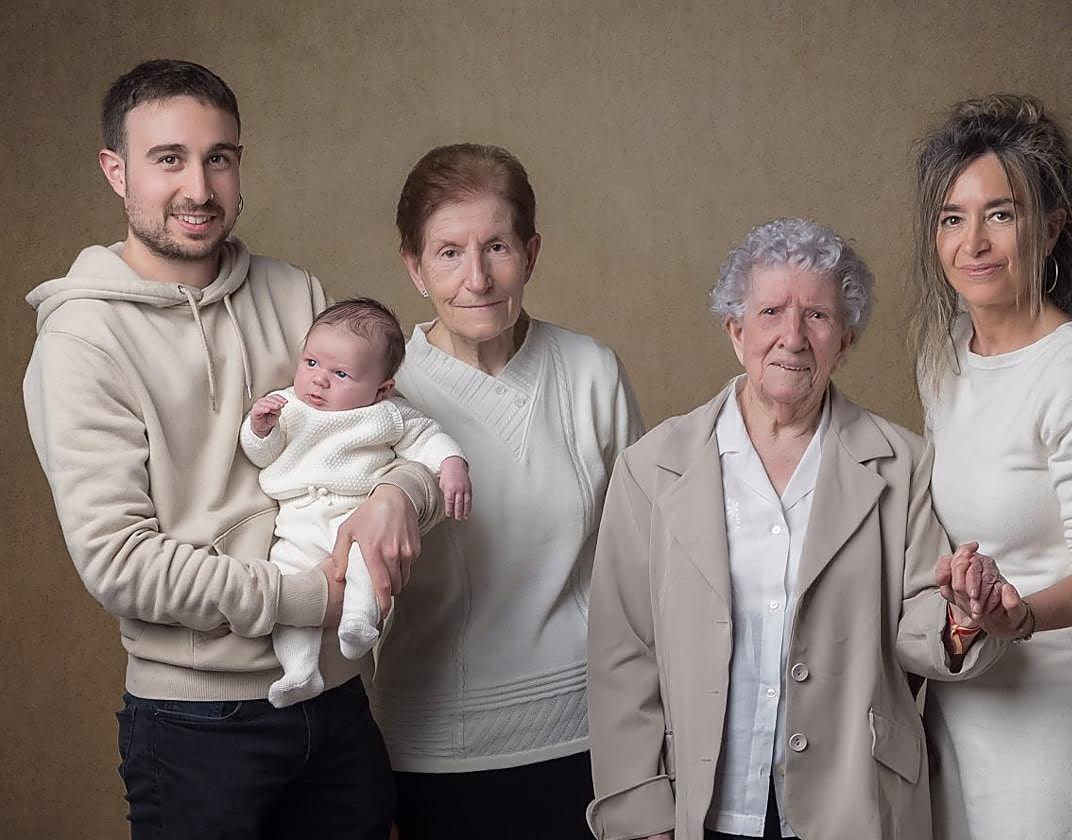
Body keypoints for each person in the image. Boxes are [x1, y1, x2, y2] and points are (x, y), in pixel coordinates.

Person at [23, 59, 441, 839]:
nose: (200, 188)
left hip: (338, 698)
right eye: (168, 158)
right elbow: (120, 562)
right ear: (116, 172)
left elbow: (391, 430)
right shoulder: (81, 342)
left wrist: (400, 494)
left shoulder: (296, 294)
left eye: (219, 157)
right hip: (194, 724)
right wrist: (311, 600)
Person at [585, 217, 1008, 840]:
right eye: (770, 312)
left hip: (855, 802)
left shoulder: (904, 463)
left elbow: (921, 626)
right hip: (702, 805)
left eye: (817, 316)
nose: (792, 337)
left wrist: (962, 612)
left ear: (847, 338)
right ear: (735, 329)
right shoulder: (651, 467)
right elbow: (622, 654)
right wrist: (642, 813)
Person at [369, 143, 644, 838]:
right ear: (413, 267)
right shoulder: (382, 395)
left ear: (532, 253)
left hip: (587, 736)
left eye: (497, 247)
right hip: (431, 749)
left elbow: (644, 563)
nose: (478, 278)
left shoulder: (591, 372)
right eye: (449, 253)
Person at [912, 94, 1072, 839]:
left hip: (1058, 716)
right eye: (953, 217)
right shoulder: (946, 354)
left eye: (1002, 213)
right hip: (968, 697)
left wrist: (1016, 616)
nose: (974, 242)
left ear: (1051, 228)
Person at [240, 297, 470, 707]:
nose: (319, 380)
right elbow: (263, 455)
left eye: (341, 373)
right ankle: (299, 670)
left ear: (382, 388)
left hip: (356, 513)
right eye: (311, 363)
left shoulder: (388, 414)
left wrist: (451, 464)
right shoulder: (287, 405)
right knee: (290, 582)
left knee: (366, 562)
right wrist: (260, 428)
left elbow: (429, 438)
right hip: (298, 519)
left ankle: (360, 623)